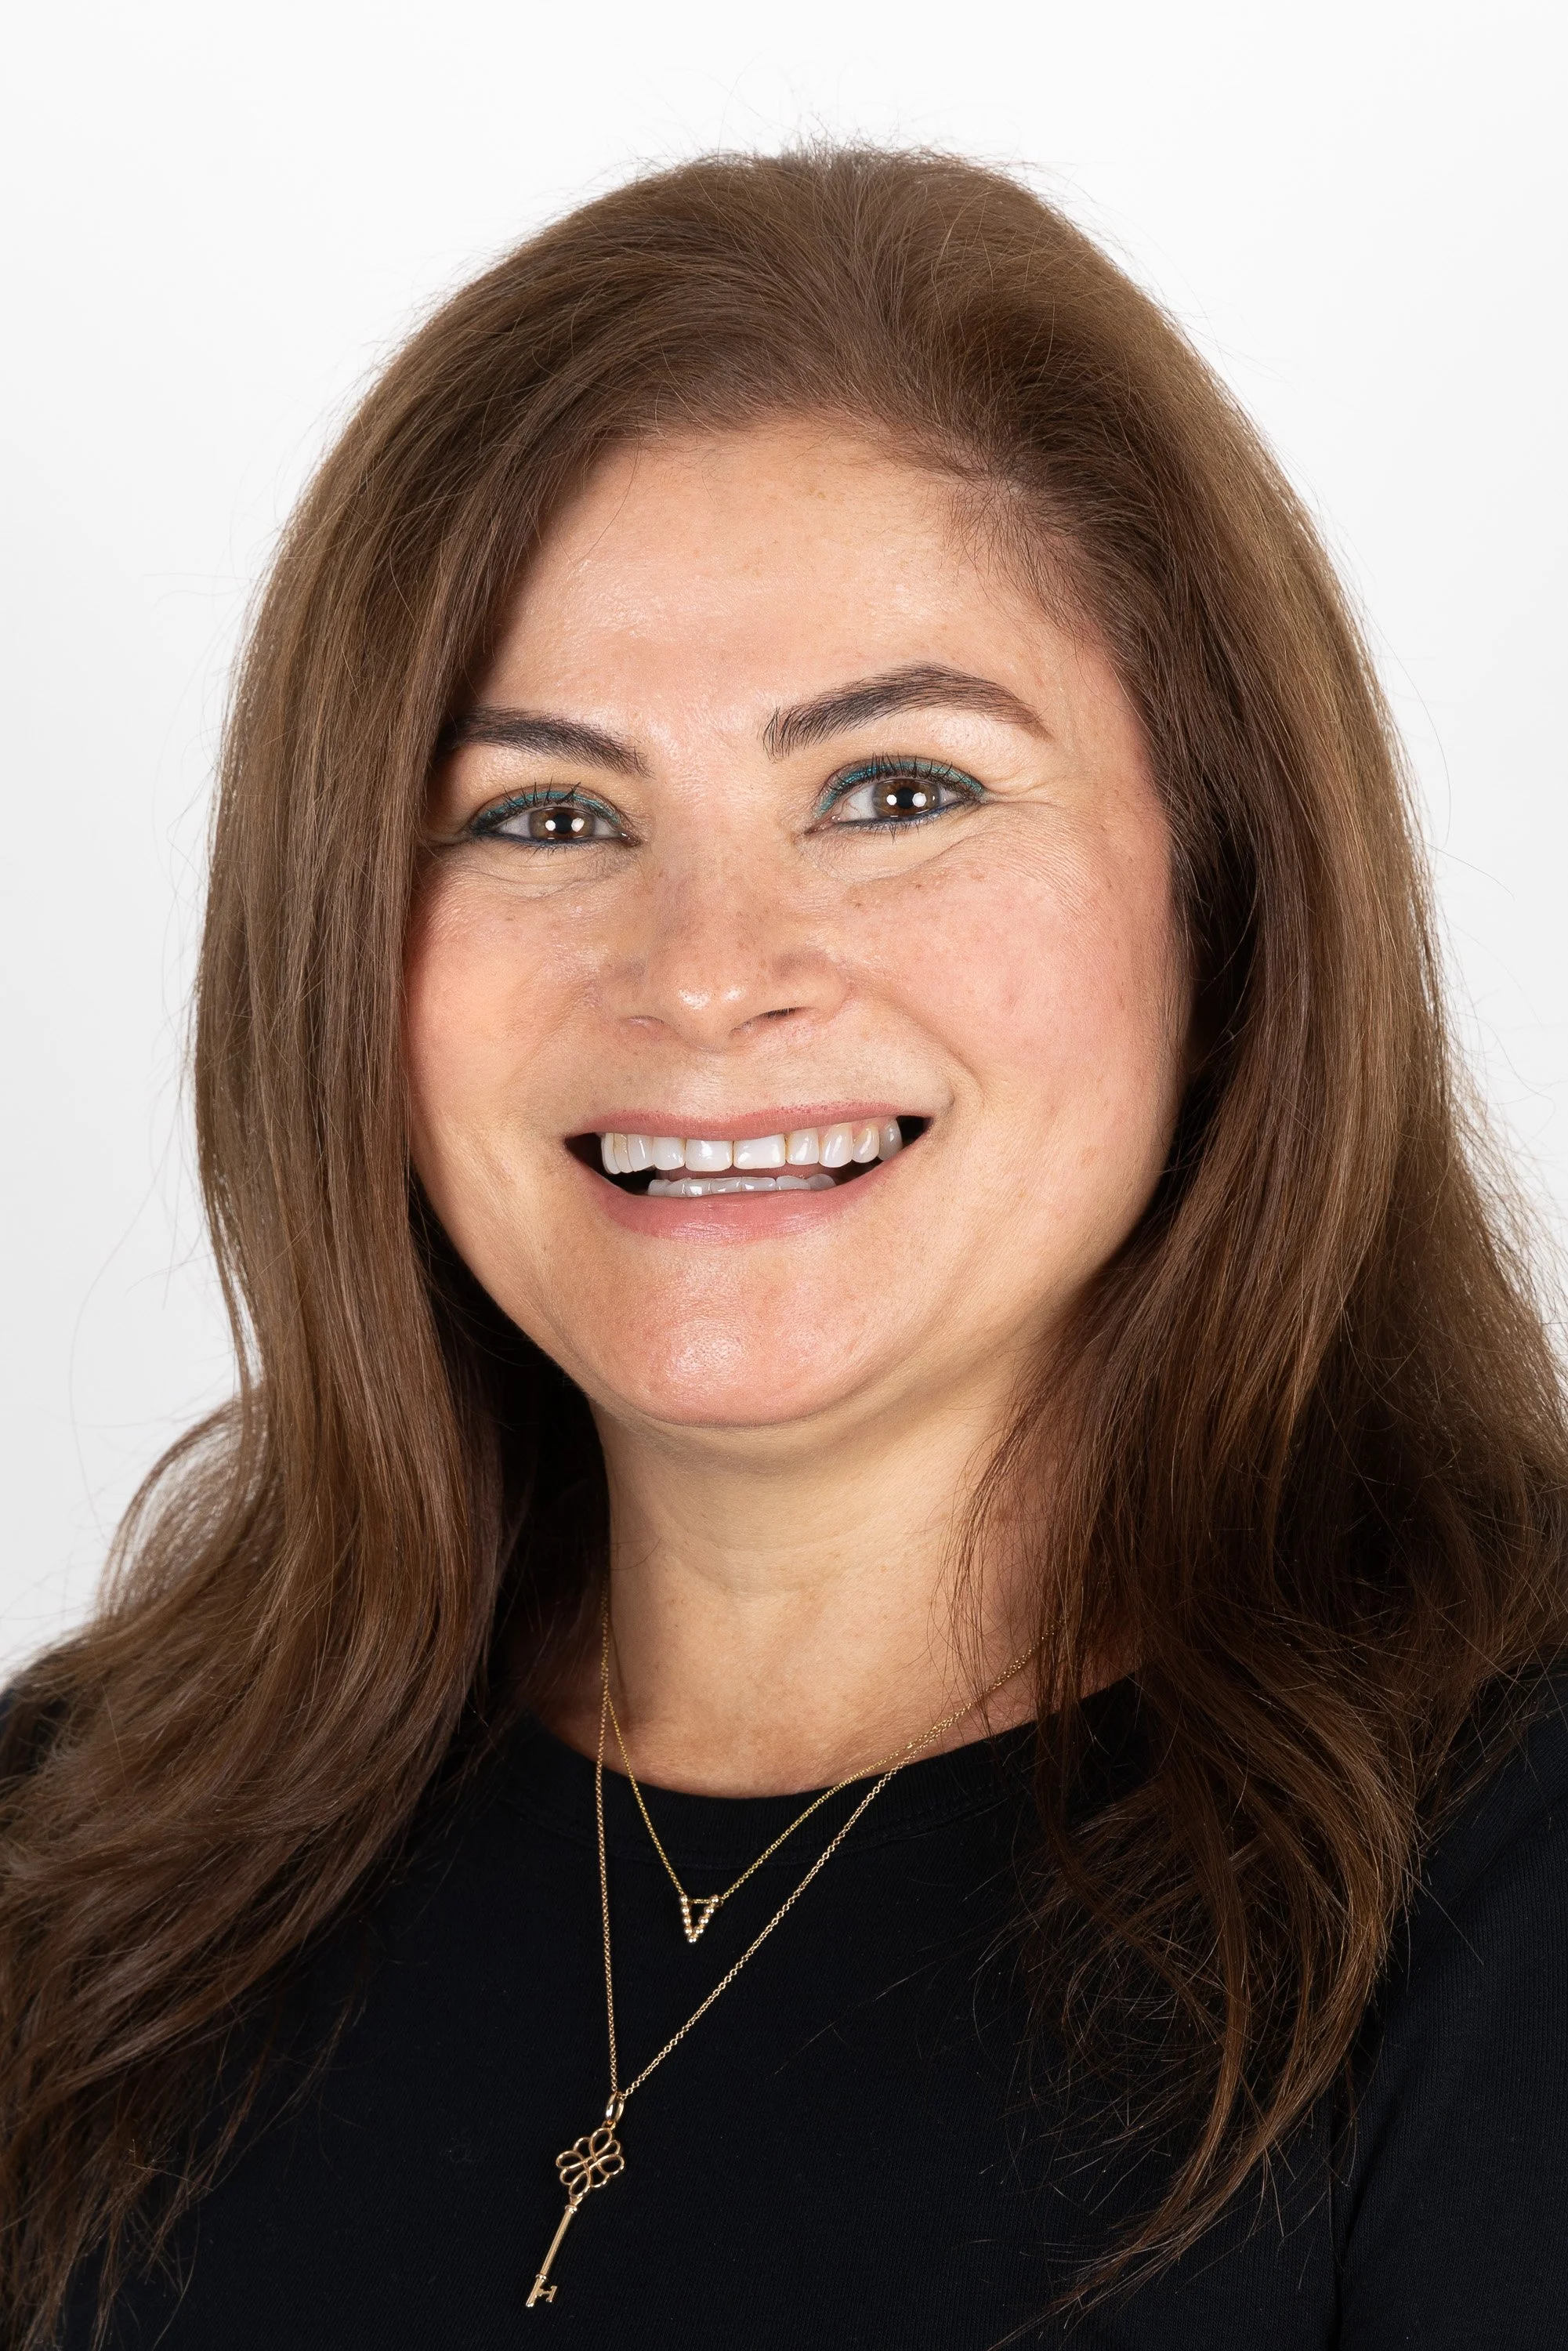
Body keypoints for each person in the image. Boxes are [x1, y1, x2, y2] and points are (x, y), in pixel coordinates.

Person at [2, 146, 1565, 2351]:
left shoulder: (1504, 1900)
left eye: (897, 788)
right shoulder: (81, 1872)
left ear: (1231, 891)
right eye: (546, 812)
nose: (710, 972)